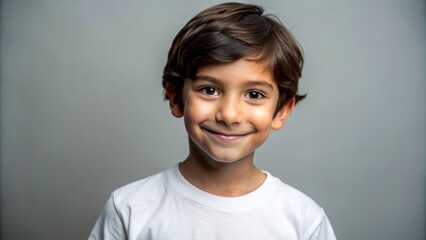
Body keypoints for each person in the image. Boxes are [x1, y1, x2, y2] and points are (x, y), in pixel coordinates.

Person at [89, 2, 336, 239]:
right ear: (176, 98)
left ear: (281, 110)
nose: (229, 115)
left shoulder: (303, 220)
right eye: (209, 90)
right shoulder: (129, 209)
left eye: (254, 95)